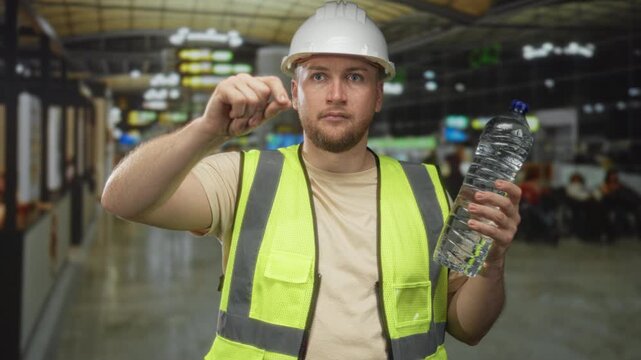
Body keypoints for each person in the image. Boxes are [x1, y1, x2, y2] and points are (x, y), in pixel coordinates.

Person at [101, 2, 523, 359]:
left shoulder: (426, 189)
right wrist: (207, 131)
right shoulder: (244, 177)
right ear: (296, 91)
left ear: (377, 96)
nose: (336, 94)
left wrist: (493, 266)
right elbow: (122, 199)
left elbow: (467, 328)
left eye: (355, 77)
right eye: (319, 76)